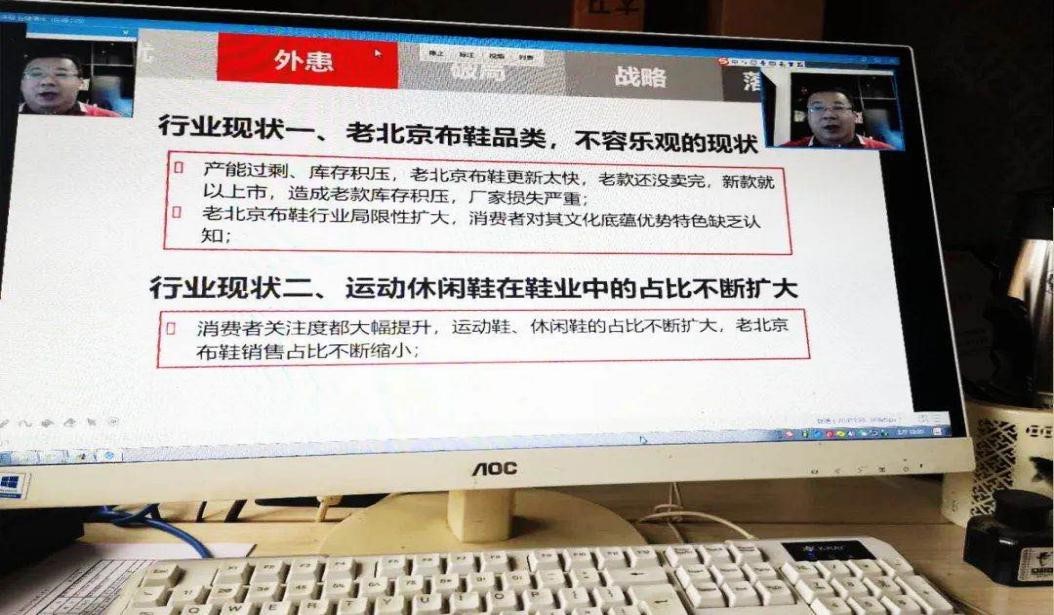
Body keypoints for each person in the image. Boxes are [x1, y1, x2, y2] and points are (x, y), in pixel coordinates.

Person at [782, 87, 892, 149]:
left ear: (854, 116)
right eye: (818, 108)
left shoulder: (883, 149)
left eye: (838, 107)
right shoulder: (787, 150)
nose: (828, 115)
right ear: (808, 118)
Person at [19, 54, 121, 117]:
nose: (47, 81)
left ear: (81, 83)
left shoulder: (109, 119)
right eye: (36, 74)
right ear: (21, 83)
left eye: (61, 74)